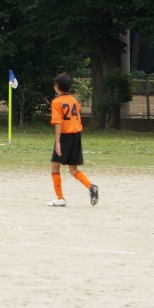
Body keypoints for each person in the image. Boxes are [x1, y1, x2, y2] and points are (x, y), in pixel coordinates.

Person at [48, 72, 98, 207]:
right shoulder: (74, 101)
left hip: (65, 136)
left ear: (56, 86)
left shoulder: (57, 102)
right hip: (76, 136)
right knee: (73, 169)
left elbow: (58, 122)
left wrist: (58, 142)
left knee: (55, 166)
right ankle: (90, 186)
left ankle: (60, 198)